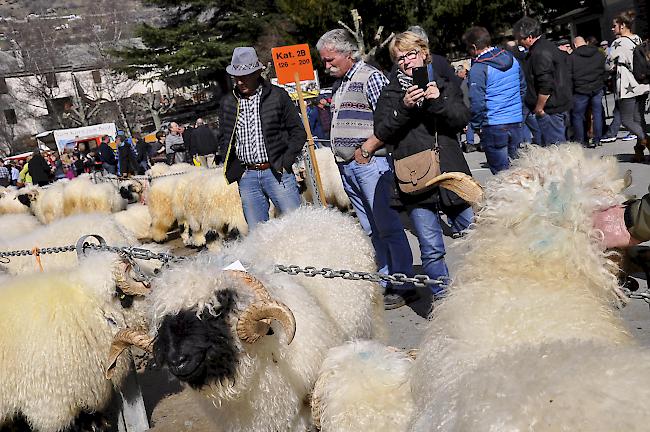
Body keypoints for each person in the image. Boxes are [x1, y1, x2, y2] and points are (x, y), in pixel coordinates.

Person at [374, 30, 475, 305]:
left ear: (423, 53)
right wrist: (404, 106)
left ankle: (484, 291)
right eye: (400, 57)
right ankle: (445, 303)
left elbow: (461, 118)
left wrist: (437, 101)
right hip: (414, 178)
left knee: (477, 234)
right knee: (431, 249)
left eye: (411, 54)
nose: (407, 61)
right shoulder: (391, 93)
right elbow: (382, 131)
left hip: (450, 171)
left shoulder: (442, 83)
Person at [317, 29, 414, 309]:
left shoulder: (370, 77)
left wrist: (368, 148)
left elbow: (390, 118)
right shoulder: (340, 84)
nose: (327, 65)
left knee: (388, 226)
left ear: (348, 54)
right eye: (324, 60)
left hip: (371, 164)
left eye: (330, 59)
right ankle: (385, 280)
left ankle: (405, 282)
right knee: (372, 228)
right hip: (349, 167)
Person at [220, 46, 305, 228]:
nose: (240, 82)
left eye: (244, 77)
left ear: (257, 73)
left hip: (277, 171)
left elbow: (298, 131)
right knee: (257, 233)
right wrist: (236, 169)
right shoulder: (228, 101)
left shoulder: (278, 95)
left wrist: (286, 160)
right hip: (247, 175)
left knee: (297, 226)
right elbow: (225, 136)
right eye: (236, 77)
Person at [463, 26, 525, 173]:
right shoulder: (513, 60)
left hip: (493, 124)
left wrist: (476, 125)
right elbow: (522, 87)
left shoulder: (479, 68)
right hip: (515, 121)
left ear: (473, 47)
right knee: (518, 171)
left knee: (500, 175)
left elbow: (477, 102)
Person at [513, 16, 572, 145]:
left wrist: (539, 108)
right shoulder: (547, 47)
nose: (518, 42)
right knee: (557, 147)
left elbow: (545, 83)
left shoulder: (540, 53)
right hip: (556, 104)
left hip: (550, 109)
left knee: (556, 149)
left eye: (520, 39)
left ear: (529, 37)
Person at [606, 10, 650, 162]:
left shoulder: (617, 43)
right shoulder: (637, 39)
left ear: (623, 25)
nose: (613, 29)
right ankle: (639, 152)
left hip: (627, 87)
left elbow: (607, 65)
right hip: (642, 84)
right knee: (639, 119)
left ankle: (647, 141)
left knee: (626, 120)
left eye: (614, 26)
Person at [568, 36, 608, 148]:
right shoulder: (599, 53)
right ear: (585, 42)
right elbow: (604, 69)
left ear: (574, 45)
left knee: (577, 115)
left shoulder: (572, 57)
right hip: (597, 87)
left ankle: (581, 140)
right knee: (597, 113)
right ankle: (597, 139)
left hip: (580, 89)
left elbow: (569, 75)